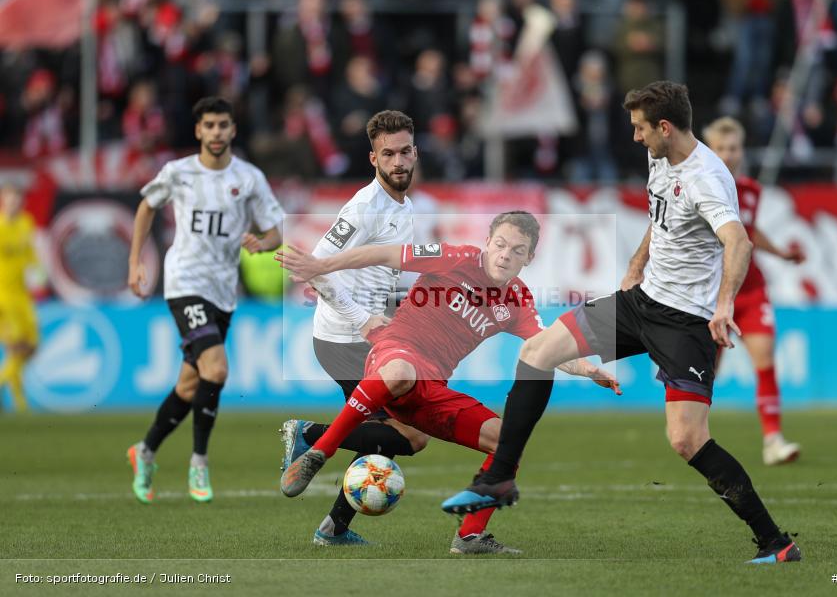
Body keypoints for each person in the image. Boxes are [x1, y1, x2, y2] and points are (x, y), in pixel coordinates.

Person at [442, 81, 801, 565]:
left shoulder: (709, 179)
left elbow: (739, 243)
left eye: (640, 128)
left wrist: (724, 305)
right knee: (535, 352)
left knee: (686, 440)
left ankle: (775, 543)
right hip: (640, 303)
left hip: (685, 323)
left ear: (665, 128)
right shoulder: (662, 157)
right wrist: (636, 266)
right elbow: (662, 216)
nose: (634, 137)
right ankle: (499, 476)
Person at [275, 211, 620, 554]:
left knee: (507, 440)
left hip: (431, 386)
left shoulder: (517, 300)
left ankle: (470, 537)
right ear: (487, 242)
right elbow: (384, 253)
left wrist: (589, 370)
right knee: (400, 372)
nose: (505, 255)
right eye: (500, 244)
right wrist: (323, 266)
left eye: (517, 250)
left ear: (529, 258)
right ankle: (320, 451)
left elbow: (547, 344)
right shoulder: (455, 258)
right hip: (395, 353)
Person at [278, 110, 431, 547]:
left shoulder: (404, 205)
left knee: (388, 435)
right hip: (343, 339)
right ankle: (307, 435)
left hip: (367, 337)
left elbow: (381, 274)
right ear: (373, 158)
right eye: (389, 154)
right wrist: (363, 320)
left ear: (415, 152)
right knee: (412, 435)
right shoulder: (364, 208)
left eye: (404, 152)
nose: (398, 161)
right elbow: (314, 267)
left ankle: (333, 528)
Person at [126, 97, 285, 504]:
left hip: (222, 289)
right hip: (184, 282)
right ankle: (199, 460)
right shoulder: (178, 173)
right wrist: (135, 262)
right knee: (216, 368)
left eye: (223, 125)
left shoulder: (249, 178)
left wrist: (261, 241)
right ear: (198, 130)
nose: (216, 132)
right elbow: (146, 206)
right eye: (209, 125)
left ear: (233, 130)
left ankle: (144, 451)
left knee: (190, 382)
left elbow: (276, 233)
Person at [703, 116, 804, 465]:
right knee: (704, 371)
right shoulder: (698, 188)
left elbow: (748, 232)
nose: (728, 154)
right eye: (721, 148)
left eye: (733, 148)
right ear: (709, 151)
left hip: (750, 289)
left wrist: (780, 253)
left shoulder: (749, 190)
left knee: (764, 360)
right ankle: (696, 437)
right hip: (712, 295)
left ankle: (773, 440)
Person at [0, 183, 40, 412]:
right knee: (17, 348)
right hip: (3, 296)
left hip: (22, 295)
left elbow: (30, 253)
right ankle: (21, 406)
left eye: (17, 198)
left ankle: (18, 404)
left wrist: (38, 269)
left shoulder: (26, 223)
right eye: (9, 198)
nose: (13, 202)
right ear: (3, 201)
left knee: (32, 347)